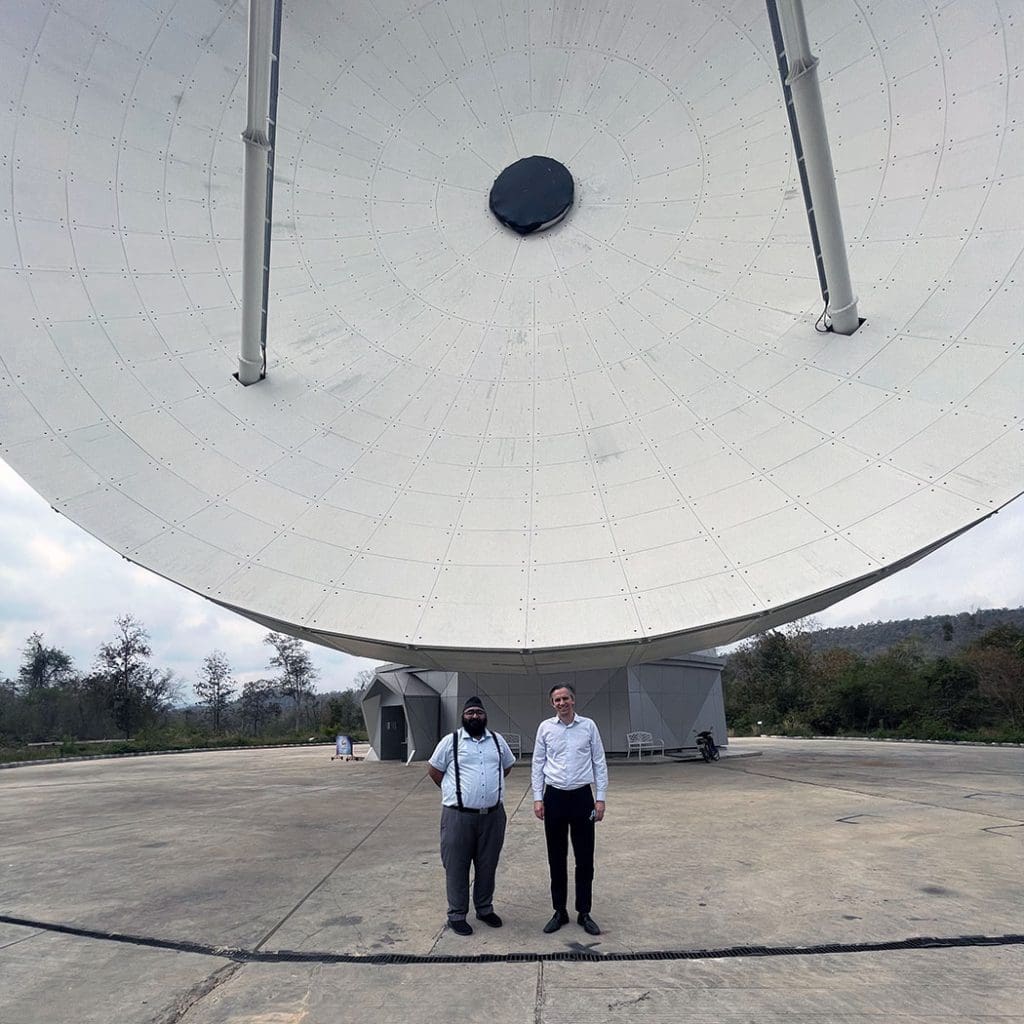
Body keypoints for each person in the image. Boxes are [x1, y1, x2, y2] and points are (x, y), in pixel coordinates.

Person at [427, 695, 516, 936]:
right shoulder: (451, 741)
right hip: (458, 817)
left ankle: (484, 909)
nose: (474, 716)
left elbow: (507, 766)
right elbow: (435, 771)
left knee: (488, 865)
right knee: (456, 865)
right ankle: (457, 914)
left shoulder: (497, 741)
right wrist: (456, 793)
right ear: (463, 716)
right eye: (470, 713)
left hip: (493, 816)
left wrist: (486, 793)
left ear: (485, 716)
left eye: (478, 712)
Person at [531, 682, 608, 936]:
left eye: (565, 699)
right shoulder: (545, 728)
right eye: (557, 700)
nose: (562, 703)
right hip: (554, 797)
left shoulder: (588, 726)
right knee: (557, 857)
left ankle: (584, 912)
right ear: (552, 704)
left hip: (582, 797)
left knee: (585, 858)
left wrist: (601, 798)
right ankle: (559, 911)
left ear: (573, 700)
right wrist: (537, 797)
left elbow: (599, 761)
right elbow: (538, 762)